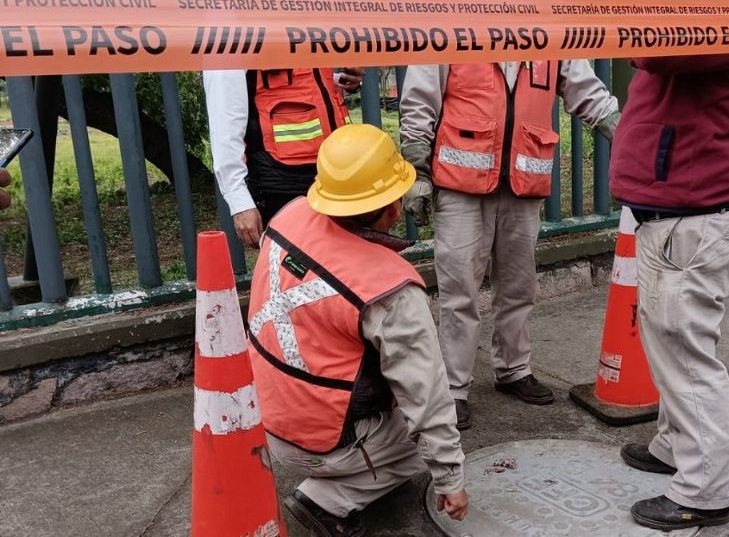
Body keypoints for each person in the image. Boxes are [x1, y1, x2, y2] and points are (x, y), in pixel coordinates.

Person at [246, 124, 468, 536]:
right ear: (393, 207)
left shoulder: (288, 217)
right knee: (428, 443)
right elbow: (427, 394)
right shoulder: (388, 289)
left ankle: (336, 465)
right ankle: (326, 499)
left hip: (263, 417)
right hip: (319, 442)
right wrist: (450, 479)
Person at [400, 61, 620, 430]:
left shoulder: (546, 25)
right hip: (461, 185)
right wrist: (417, 169)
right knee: (459, 291)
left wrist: (625, 134)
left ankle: (514, 369)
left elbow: (586, 91)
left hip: (523, 179)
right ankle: (453, 388)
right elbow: (420, 97)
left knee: (519, 286)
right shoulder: (455, 18)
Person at [610, 54, 729, 530]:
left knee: (685, 356)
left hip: (692, 221)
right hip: (684, 217)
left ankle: (704, 490)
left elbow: (656, 48)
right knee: (670, 349)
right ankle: (675, 447)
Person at [203, 67, 363, 246]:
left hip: (332, 176)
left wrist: (336, 81)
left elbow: (298, 82)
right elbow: (225, 122)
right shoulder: (237, 40)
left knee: (341, 262)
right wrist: (240, 202)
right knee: (297, 269)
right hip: (282, 186)